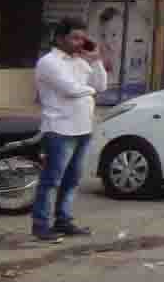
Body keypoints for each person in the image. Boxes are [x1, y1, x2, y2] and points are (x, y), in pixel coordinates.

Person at [31, 24, 110, 242]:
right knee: (52, 180)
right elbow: (71, 90)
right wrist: (89, 91)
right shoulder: (49, 62)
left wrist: (96, 60)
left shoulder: (81, 62)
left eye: (82, 38)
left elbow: (101, 85)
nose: (80, 43)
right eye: (75, 38)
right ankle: (41, 226)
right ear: (59, 38)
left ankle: (63, 220)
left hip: (83, 128)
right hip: (59, 129)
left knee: (72, 179)